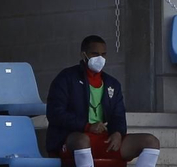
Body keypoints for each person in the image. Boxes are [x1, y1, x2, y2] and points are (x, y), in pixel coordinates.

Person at [44, 36, 159, 167]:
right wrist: (87, 126)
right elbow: (55, 113)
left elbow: (118, 116)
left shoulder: (112, 83)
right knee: (82, 140)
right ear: (84, 55)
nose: (100, 58)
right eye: (95, 54)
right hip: (71, 139)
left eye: (103, 54)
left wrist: (117, 133)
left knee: (151, 142)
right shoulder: (66, 78)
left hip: (104, 139)